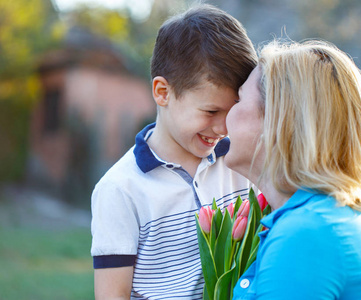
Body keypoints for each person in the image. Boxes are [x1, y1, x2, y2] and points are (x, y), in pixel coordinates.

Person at [90, 4, 257, 299]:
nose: (222, 128)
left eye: (232, 112)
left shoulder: (241, 164)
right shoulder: (120, 191)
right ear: (163, 92)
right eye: (211, 110)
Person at [225, 39, 361, 299]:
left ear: (276, 120)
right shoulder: (337, 217)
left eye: (239, 99)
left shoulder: (306, 234)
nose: (227, 112)